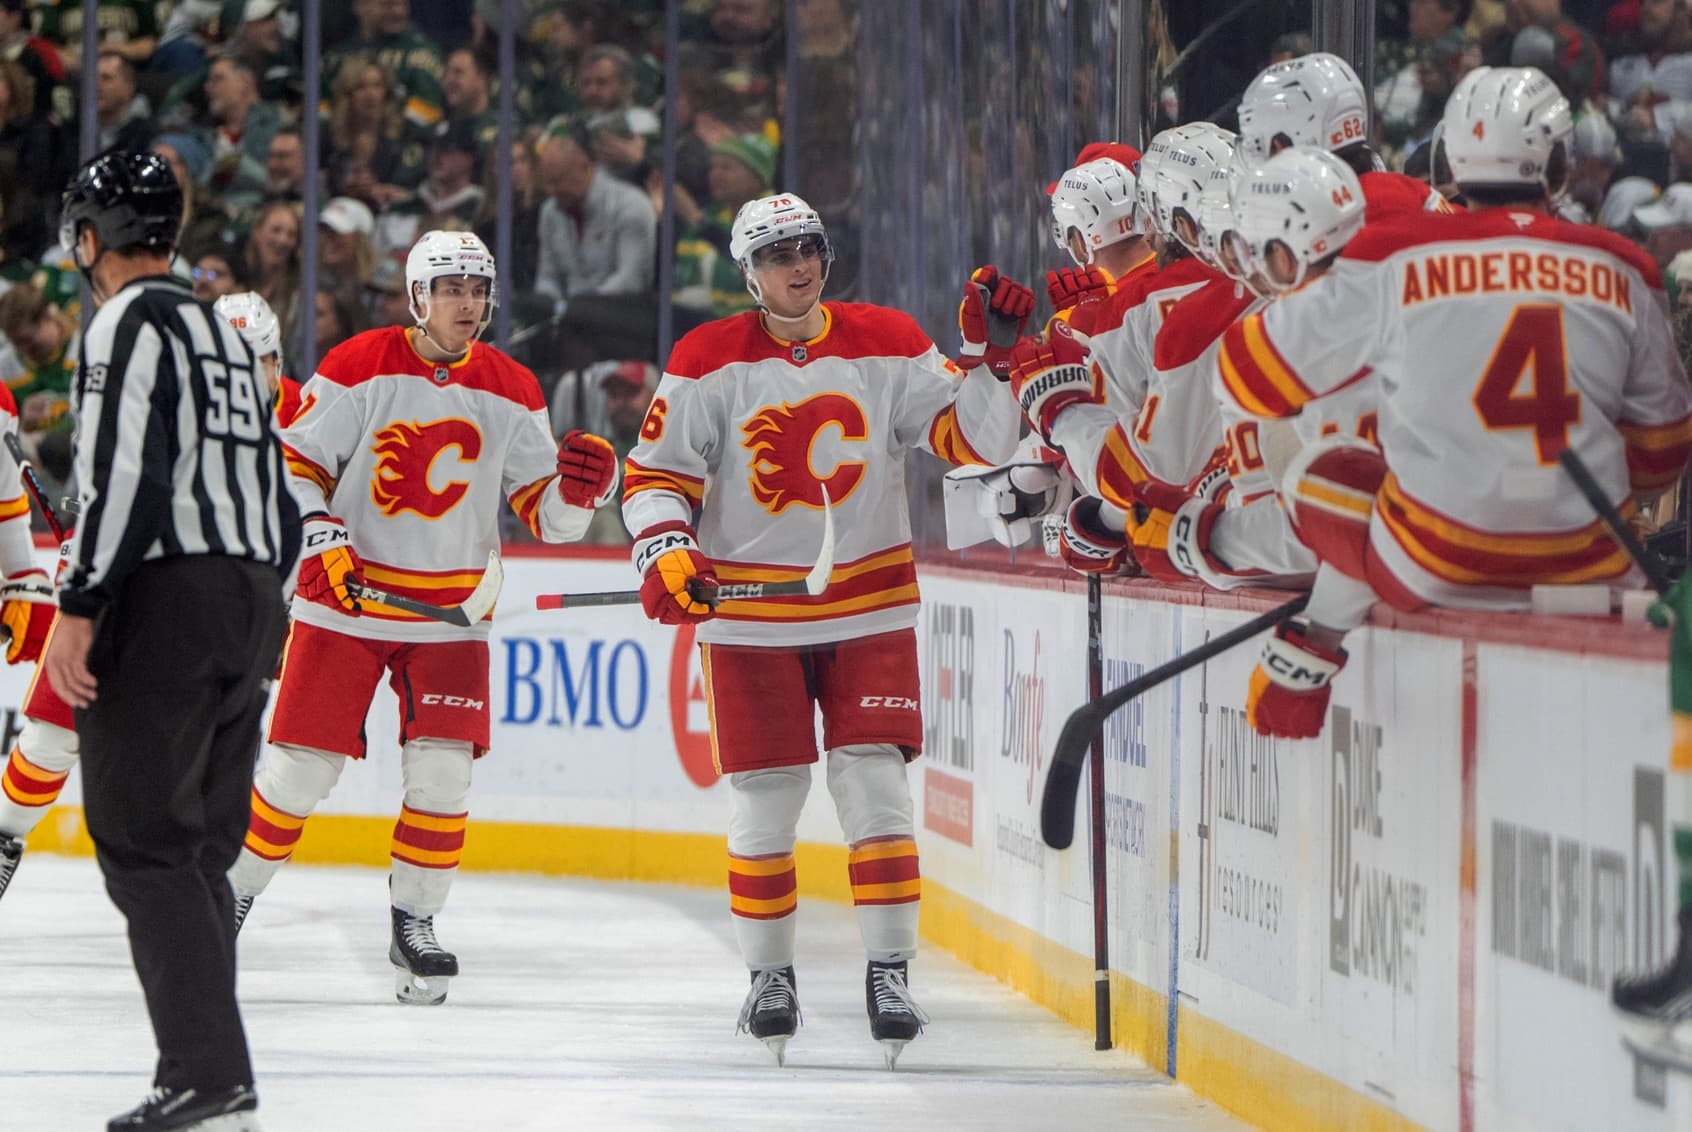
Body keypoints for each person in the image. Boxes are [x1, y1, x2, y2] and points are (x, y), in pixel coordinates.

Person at [622, 193, 1023, 1067]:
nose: (796, 266)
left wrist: (990, 363)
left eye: (807, 248)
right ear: (747, 273)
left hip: (869, 605)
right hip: (752, 620)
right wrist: (665, 549)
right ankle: (769, 977)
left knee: (874, 786)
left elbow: (973, 441)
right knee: (766, 798)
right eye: (775, 256)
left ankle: (890, 973)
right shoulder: (707, 358)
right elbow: (655, 475)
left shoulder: (884, 338)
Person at [1213, 66, 1692, 740]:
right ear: (1559, 161)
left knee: (1323, 468)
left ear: (1452, 158)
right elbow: (1664, 447)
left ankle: (1314, 643)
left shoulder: (1394, 252)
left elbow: (1246, 377)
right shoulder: (1626, 265)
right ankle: (1313, 642)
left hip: (1437, 565)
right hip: (1591, 565)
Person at [225, 230, 620, 1007]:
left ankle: (417, 922)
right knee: (298, 775)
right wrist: (323, 536)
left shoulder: (510, 386)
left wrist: (580, 495)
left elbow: (546, 516)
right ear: (417, 296)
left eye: (477, 288)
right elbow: (295, 466)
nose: (466, 304)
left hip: (448, 614)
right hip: (347, 603)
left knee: (443, 775)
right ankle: (226, 897)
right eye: (449, 288)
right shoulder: (359, 364)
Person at [44, 149, 300, 1132]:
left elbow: (125, 474)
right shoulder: (220, 327)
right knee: (198, 849)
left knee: (143, 839)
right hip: (245, 597)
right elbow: (267, 497)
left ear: (92, 237)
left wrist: (82, 602)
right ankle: (213, 1075)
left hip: (166, 599)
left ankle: (206, 1071)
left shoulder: (126, 319)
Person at [0, 288, 298, 918]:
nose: (255, 375)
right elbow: (114, 498)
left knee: (202, 759)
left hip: (217, 609)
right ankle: (4, 834)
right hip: (134, 589)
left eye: (265, 360)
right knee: (53, 735)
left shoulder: (306, 416)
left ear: (278, 360)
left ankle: (206, 889)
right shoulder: (163, 399)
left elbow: (309, 517)